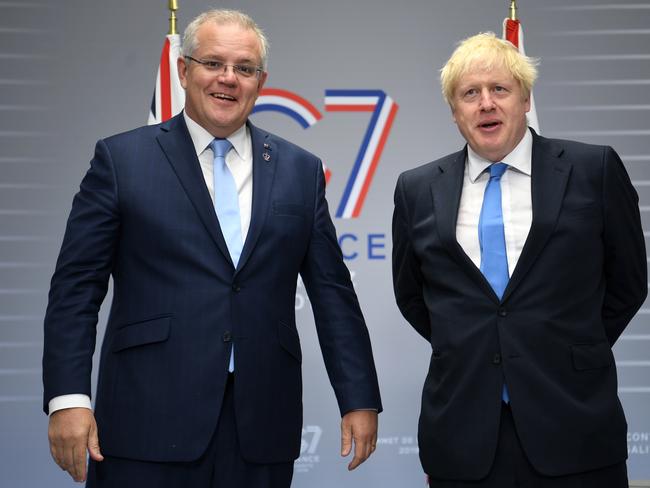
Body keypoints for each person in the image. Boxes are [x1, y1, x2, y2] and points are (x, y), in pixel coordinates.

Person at [43, 9, 381, 488]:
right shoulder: (121, 160)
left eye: (244, 68)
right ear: (183, 70)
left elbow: (333, 295)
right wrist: (68, 398)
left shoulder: (300, 170)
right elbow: (76, 290)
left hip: (261, 426)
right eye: (213, 63)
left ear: (261, 82)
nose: (228, 79)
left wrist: (359, 396)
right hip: (145, 422)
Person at [392, 32, 646, 487]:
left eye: (500, 89)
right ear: (455, 111)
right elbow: (413, 296)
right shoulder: (417, 189)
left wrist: (565, 344)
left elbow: (628, 282)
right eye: (470, 93)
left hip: (575, 425)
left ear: (525, 99)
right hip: (463, 437)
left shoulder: (594, 169)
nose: (486, 103)